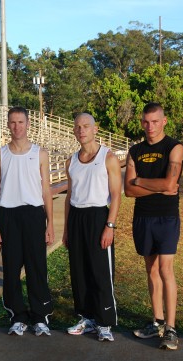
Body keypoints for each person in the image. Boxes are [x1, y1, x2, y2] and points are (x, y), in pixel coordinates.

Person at [124, 103, 183, 350]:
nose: (150, 126)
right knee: (151, 270)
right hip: (143, 218)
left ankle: (170, 328)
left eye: (155, 121)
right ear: (141, 123)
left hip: (166, 218)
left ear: (164, 121)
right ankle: (157, 321)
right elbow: (128, 190)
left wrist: (140, 181)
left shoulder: (174, 147)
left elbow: (171, 184)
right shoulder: (134, 150)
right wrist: (154, 185)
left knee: (165, 270)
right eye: (146, 122)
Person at [0, 106, 54, 337]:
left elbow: (46, 190)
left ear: (28, 124)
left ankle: (40, 316)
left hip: (33, 214)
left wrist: (50, 224)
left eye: (20, 122)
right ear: (8, 125)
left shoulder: (40, 153)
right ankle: (17, 315)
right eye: (12, 122)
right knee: (11, 267)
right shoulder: (0, 154)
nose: (16, 126)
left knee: (37, 266)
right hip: (8, 216)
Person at [63, 113, 121, 342]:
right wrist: (67, 229)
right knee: (79, 270)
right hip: (77, 217)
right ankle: (86, 317)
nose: (81, 130)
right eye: (77, 126)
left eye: (86, 126)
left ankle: (105, 321)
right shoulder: (72, 161)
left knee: (100, 271)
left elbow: (116, 195)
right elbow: (69, 196)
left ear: (95, 129)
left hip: (98, 215)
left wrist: (110, 226)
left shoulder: (108, 157)